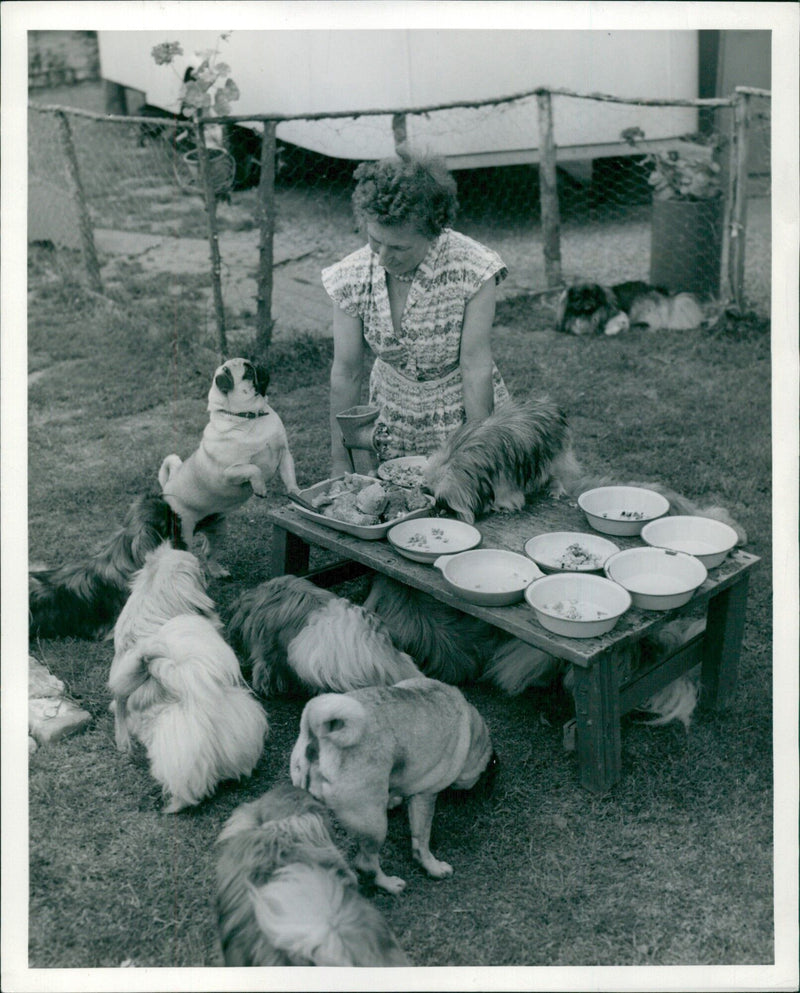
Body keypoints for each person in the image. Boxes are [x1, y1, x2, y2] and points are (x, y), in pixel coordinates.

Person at [322, 154, 510, 477]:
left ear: (434, 232)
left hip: (464, 418)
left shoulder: (475, 270)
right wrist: (341, 460)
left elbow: (475, 368)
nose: (382, 258)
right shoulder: (350, 277)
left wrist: (482, 461)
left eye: (398, 248)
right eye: (374, 241)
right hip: (391, 417)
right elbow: (346, 374)